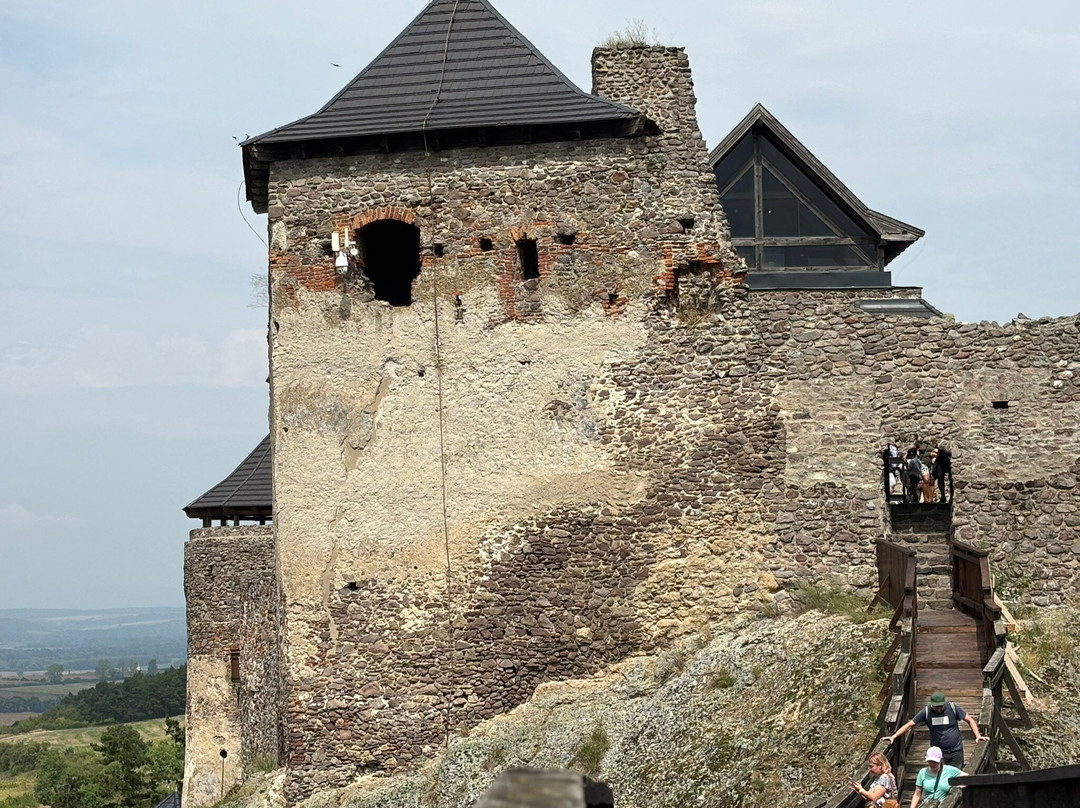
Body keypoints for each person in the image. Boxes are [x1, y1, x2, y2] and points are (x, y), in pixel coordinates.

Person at [885, 691, 986, 767]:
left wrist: (978, 736)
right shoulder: (926, 711)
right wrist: (894, 736)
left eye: (940, 707)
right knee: (940, 779)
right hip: (938, 753)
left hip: (956, 750)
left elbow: (970, 720)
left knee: (956, 779)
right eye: (936, 707)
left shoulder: (952, 707)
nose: (938, 709)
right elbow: (909, 725)